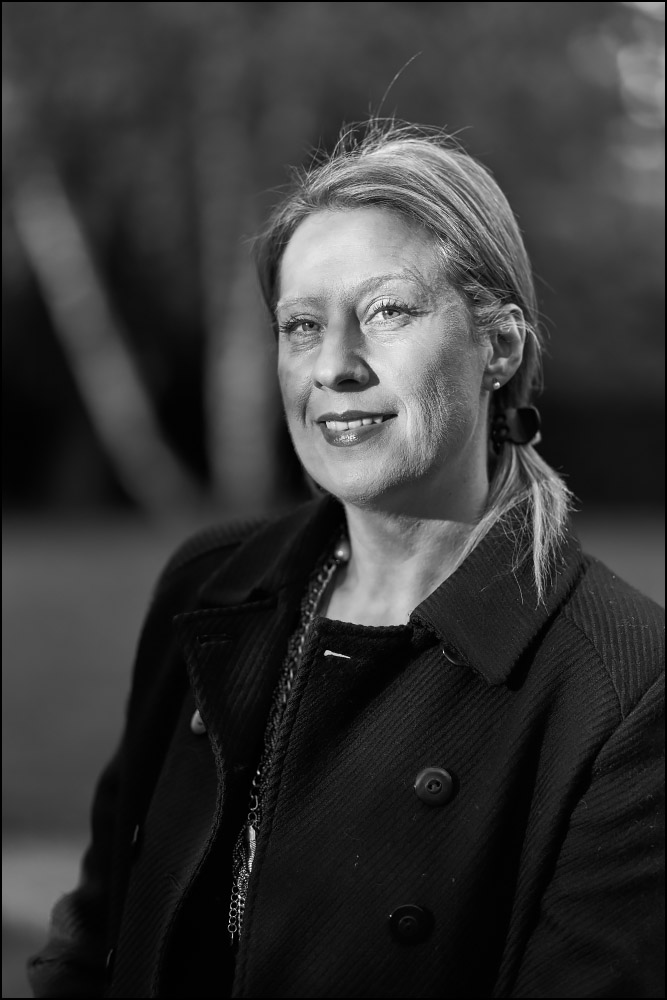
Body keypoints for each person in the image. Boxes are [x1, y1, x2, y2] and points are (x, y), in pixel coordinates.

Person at [28, 121, 664, 999]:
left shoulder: (623, 685)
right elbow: (94, 935)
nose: (334, 366)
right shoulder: (210, 587)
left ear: (498, 345)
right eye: (301, 325)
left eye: (387, 311)